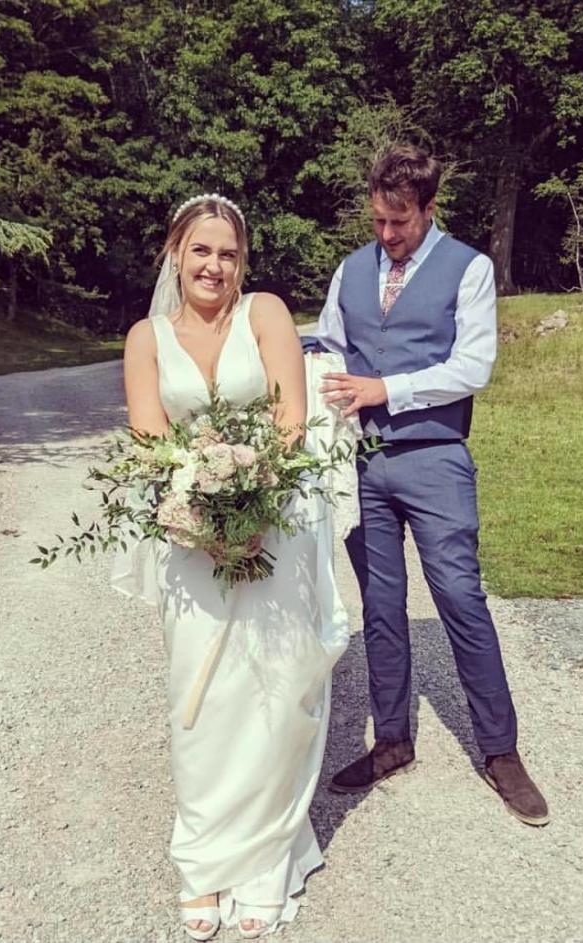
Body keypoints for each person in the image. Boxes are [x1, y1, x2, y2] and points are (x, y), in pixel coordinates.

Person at [117, 194, 349, 940]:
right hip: (192, 542)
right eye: (200, 251)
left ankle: (263, 863)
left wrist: (252, 511)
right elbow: (153, 443)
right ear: (174, 255)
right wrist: (208, 520)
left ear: (241, 262)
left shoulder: (267, 315)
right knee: (204, 698)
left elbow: (291, 422)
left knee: (275, 695)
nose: (214, 266)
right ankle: (205, 861)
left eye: (228, 253)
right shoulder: (146, 338)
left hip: (275, 529)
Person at [303, 145, 549, 827]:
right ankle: (393, 740)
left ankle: (500, 751)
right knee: (381, 605)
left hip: (436, 456)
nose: (387, 234)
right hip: (362, 465)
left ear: (429, 209)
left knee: (461, 597)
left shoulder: (468, 268)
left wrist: (390, 388)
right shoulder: (350, 270)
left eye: (401, 221)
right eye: (379, 220)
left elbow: (473, 365)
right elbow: (327, 347)